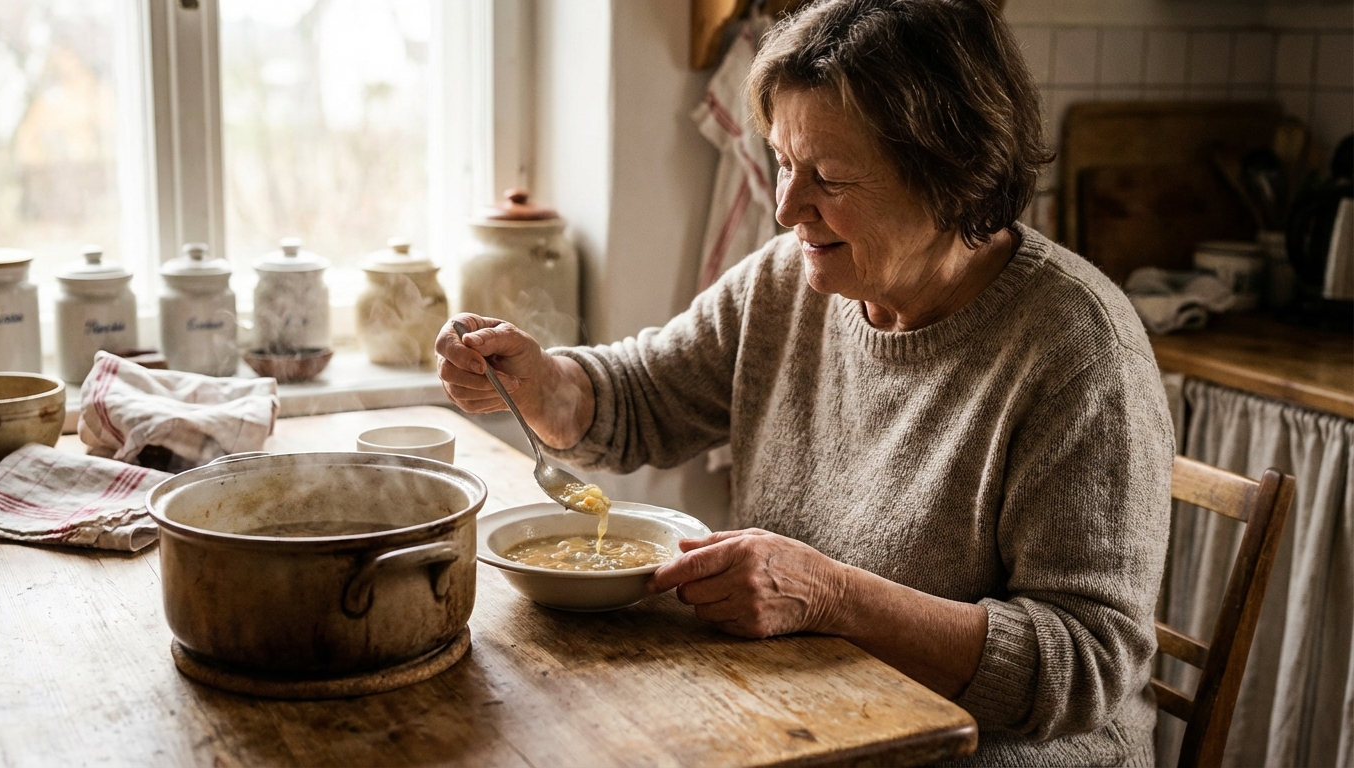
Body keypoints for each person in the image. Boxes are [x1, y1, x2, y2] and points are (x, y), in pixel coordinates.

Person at [436, 1, 1173, 765]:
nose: (788, 209)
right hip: (820, 713)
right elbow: (648, 396)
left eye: (830, 177)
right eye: (785, 163)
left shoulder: (1079, 347)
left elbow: (1085, 666)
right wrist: (543, 382)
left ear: (953, 177)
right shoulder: (793, 280)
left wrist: (834, 598)